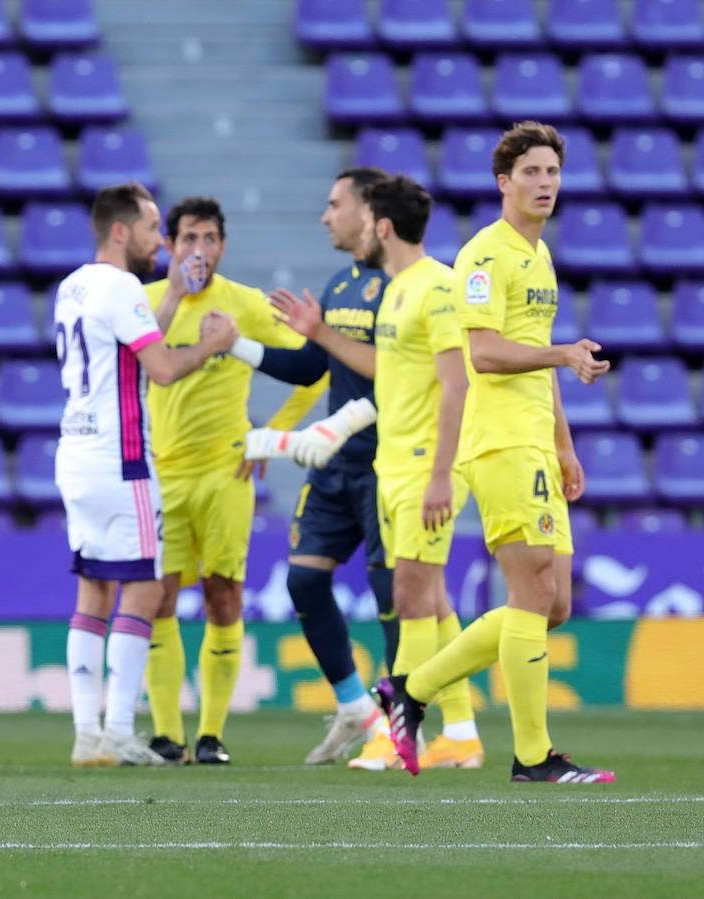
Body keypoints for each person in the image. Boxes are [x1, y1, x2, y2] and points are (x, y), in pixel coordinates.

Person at [376, 121, 617, 784]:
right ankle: (533, 755)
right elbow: (482, 351)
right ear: (503, 182)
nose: (545, 184)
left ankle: (410, 689)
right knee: (532, 591)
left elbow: (536, 356)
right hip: (500, 441)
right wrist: (562, 354)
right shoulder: (486, 254)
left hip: (536, 439)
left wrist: (564, 443)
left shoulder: (538, 258)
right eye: (532, 173)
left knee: (554, 601)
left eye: (553, 172)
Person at [269, 175, 483, 771]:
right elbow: (382, 371)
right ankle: (461, 733)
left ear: (381, 225)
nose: (352, 224)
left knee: (411, 598)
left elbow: (455, 383)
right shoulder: (397, 291)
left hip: (423, 467)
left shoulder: (437, 287)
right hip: (393, 463)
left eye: (360, 217)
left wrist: (442, 473)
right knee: (430, 601)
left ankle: (396, 737)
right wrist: (325, 425)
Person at [55, 181, 238, 767]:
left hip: (76, 456)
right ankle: (118, 731)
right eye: (152, 227)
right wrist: (214, 344)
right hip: (123, 458)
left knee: (92, 587)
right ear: (119, 230)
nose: (160, 239)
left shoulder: (75, 285)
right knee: (146, 587)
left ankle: (88, 733)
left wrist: (174, 299)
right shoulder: (123, 285)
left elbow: (129, 344)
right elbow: (159, 368)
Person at [228, 168, 405, 769]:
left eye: (335, 205)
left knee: (391, 595)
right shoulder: (340, 283)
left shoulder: (407, 287)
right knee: (303, 581)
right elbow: (310, 367)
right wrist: (237, 346)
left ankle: (404, 725)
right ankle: (356, 707)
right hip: (337, 463)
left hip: (390, 461)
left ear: (368, 211)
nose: (325, 216)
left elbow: (405, 375)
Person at [141, 196, 324, 766]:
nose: (200, 250)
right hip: (162, 469)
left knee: (224, 596)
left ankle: (213, 735)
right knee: (159, 601)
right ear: (169, 244)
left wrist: (273, 433)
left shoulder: (245, 303)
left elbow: (317, 366)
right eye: (190, 238)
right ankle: (167, 735)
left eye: (210, 239)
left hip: (226, 469)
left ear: (223, 245)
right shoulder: (146, 303)